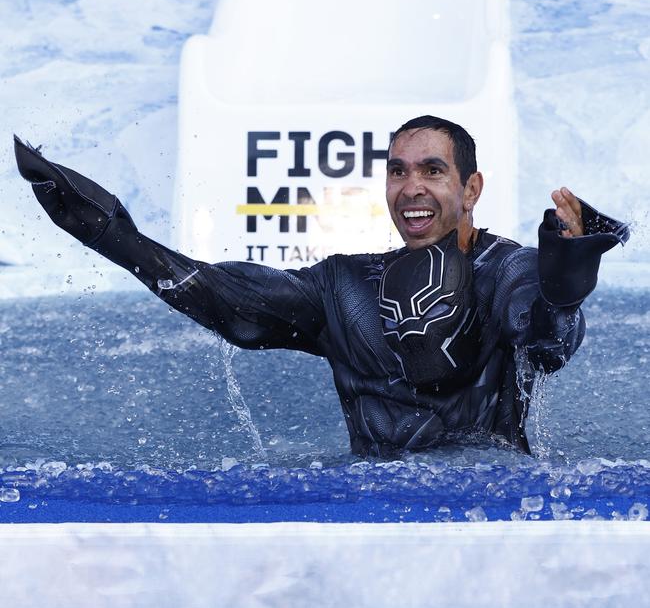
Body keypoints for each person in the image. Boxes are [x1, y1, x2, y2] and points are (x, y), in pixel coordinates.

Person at [14, 116, 629, 456]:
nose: (411, 187)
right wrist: (116, 239)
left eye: (433, 171)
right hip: (369, 514)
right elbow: (232, 307)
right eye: (397, 172)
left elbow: (547, 336)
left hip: (488, 517)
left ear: (471, 190)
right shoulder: (343, 287)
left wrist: (567, 269)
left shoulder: (508, 269)